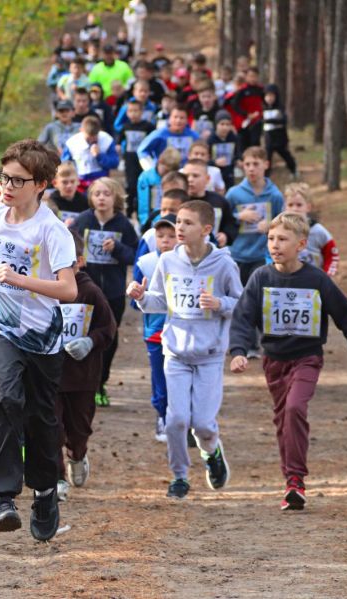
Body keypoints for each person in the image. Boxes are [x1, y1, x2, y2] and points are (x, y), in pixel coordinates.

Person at [0, 139, 77, 542]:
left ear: (42, 184)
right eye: (3, 177)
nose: (7, 186)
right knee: (4, 400)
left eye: (17, 180)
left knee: (41, 419)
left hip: (41, 336)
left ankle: (46, 492)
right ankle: (3, 496)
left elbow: (68, 291)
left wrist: (17, 279)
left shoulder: (52, 231)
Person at [229, 212, 347, 511]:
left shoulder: (316, 279)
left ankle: (295, 479)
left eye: (282, 239)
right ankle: (290, 480)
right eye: (270, 239)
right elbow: (243, 316)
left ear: (301, 244)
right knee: (284, 420)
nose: (274, 245)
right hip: (274, 361)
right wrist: (239, 350)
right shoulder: (261, 277)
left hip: (307, 358)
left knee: (295, 408)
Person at [127, 200, 241, 499]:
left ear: (206, 229)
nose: (179, 228)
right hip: (175, 352)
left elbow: (242, 304)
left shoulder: (224, 264)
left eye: (187, 223)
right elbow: (161, 301)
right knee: (176, 419)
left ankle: (212, 453)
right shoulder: (167, 261)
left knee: (202, 423)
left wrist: (220, 304)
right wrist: (141, 297)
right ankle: (179, 475)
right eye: (178, 222)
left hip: (209, 355)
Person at [55, 231, 118, 501]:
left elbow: (109, 328)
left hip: (82, 376)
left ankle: (78, 455)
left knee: (78, 428)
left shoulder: (89, 291)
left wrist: (90, 342)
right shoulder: (41, 287)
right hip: (50, 373)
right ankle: (56, 478)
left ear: (79, 261)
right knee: (50, 427)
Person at [70, 177, 138, 406]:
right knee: (82, 336)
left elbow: (134, 256)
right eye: (97, 193)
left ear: (116, 197)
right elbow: (66, 245)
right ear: (90, 197)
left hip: (113, 292)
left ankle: (101, 383)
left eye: (106, 193)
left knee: (107, 337)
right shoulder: (82, 220)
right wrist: (78, 261)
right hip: (85, 290)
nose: (101, 197)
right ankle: (81, 383)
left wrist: (117, 248)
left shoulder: (123, 225)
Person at [226, 147, 284, 359]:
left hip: (262, 255)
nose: (251, 169)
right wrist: (238, 215)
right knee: (240, 300)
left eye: (256, 164)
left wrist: (271, 225)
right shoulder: (234, 194)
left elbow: (283, 221)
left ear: (265, 165)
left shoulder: (275, 195)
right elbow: (223, 218)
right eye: (247, 164)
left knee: (260, 300)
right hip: (238, 254)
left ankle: (265, 343)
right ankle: (243, 344)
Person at [131, 214, 178, 442]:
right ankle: (162, 415)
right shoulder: (146, 262)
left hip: (182, 331)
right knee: (160, 377)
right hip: (155, 331)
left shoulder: (188, 264)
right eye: (161, 236)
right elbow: (135, 299)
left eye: (171, 236)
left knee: (179, 377)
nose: (166, 241)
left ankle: (180, 419)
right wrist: (140, 295)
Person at [283, 183, 338, 275]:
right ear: (285, 207)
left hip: (315, 282)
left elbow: (332, 255)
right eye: (290, 205)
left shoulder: (319, 231)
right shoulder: (280, 231)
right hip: (289, 282)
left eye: (299, 205)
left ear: (308, 207)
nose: (294, 209)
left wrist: (327, 276)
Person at [181, 159, 237, 249]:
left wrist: (226, 235)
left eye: (195, 176)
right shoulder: (178, 200)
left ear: (207, 179)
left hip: (213, 252)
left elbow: (231, 223)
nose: (190, 179)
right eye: (186, 176)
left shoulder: (219, 201)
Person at [115, 99, 156, 219]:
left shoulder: (148, 126)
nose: (133, 113)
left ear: (142, 112)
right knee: (130, 186)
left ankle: (141, 211)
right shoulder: (125, 127)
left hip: (143, 160)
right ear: (127, 113)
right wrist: (118, 147)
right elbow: (120, 140)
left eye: (136, 111)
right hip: (129, 159)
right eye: (130, 111)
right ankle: (129, 211)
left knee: (142, 184)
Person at [62, 116, 120, 191]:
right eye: (89, 138)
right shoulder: (72, 143)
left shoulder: (107, 140)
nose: (92, 140)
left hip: (101, 179)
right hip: (80, 181)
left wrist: (100, 156)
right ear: (81, 130)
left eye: (95, 137)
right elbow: (65, 164)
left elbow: (114, 163)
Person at [137, 105, 200, 172]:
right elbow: (142, 151)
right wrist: (151, 170)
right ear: (169, 119)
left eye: (182, 118)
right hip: (164, 173)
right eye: (175, 117)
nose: (178, 120)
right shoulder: (159, 134)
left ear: (187, 120)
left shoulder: (194, 136)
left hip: (186, 172)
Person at [137, 146, 182, 226]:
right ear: (160, 162)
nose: (167, 175)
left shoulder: (177, 178)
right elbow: (143, 203)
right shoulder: (146, 177)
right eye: (166, 170)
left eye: (171, 172)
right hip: (151, 220)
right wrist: (145, 223)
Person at [262, 83, 297, 179]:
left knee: (285, 154)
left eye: (271, 96)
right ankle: (266, 175)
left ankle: (293, 170)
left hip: (279, 136)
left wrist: (269, 121)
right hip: (268, 137)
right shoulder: (263, 108)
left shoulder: (280, 108)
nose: (269, 98)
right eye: (267, 96)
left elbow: (283, 121)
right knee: (267, 156)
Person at [228, 67, 264, 152]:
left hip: (257, 120)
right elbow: (235, 105)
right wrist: (246, 114)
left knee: (255, 141)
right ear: (246, 77)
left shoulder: (261, 90)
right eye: (250, 76)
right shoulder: (242, 91)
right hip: (244, 121)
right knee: (243, 142)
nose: (252, 79)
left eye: (255, 76)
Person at [46, 161, 89, 226]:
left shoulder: (85, 201)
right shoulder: (51, 201)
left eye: (72, 181)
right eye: (64, 182)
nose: (69, 186)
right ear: (55, 183)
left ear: (78, 182)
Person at [207, 110, 239, 190]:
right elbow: (205, 159)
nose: (225, 127)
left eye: (228, 124)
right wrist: (215, 162)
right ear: (216, 125)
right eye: (222, 124)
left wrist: (238, 160)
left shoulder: (233, 138)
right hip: (214, 174)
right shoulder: (210, 140)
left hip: (229, 173)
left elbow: (238, 153)